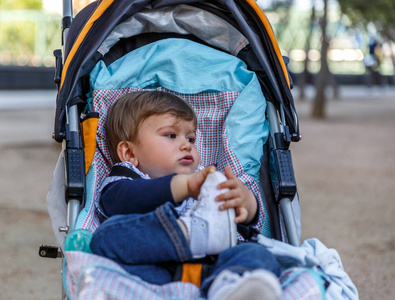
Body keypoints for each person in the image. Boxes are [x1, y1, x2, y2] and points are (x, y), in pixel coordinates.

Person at [90, 91, 282, 299]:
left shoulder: (205, 181)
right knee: (105, 237)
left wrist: (247, 202)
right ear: (129, 153)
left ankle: (227, 288)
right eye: (171, 135)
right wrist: (183, 186)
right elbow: (121, 202)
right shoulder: (124, 182)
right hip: (155, 273)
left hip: (210, 268)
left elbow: (235, 226)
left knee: (258, 255)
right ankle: (187, 235)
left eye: (191, 138)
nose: (187, 145)